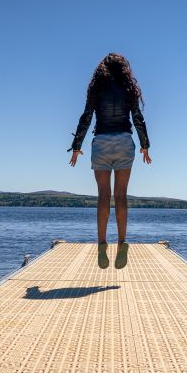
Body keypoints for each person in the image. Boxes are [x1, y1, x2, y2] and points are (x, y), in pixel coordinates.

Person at [68, 53, 151, 269]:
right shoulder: (128, 89)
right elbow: (137, 118)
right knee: (121, 195)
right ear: (124, 69)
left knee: (103, 195)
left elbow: (86, 117)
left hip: (102, 142)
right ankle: (122, 243)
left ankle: (102, 244)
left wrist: (77, 147)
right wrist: (145, 145)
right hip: (124, 142)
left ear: (102, 69)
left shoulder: (97, 89)